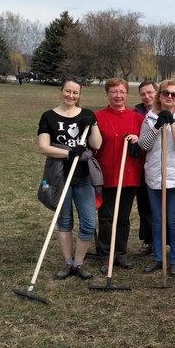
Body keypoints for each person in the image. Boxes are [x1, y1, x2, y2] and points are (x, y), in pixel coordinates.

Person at [37, 75, 103, 280]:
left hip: (83, 178)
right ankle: (67, 263)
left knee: (89, 223)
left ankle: (78, 263)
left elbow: (97, 144)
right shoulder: (48, 116)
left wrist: (93, 125)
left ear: (79, 94)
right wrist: (69, 153)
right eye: (68, 91)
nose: (71, 95)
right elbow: (44, 147)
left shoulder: (87, 114)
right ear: (61, 91)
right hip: (60, 177)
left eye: (75, 92)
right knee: (65, 221)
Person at [138, 80, 175, 278]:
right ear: (159, 96)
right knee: (157, 220)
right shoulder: (149, 118)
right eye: (165, 93)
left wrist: (172, 123)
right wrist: (157, 126)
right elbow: (144, 145)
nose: (169, 97)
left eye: (173, 94)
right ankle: (158, 257)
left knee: (173, 220)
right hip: (155, 176)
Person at [94, 78, 144, 274]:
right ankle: (106, 255)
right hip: (106, 175)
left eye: (122, 92)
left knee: (123, 217)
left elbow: (145, 148)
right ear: (107, 94)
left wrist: (138, 141)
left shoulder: (137, 118)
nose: (118, 96)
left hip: (129, 176)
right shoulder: (98, 117)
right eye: (114, 92)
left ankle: (121, 254)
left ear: (126, 94)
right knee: (106, 217)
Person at [133, 81, 158, 258]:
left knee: (166, 207)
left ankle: (173, 242)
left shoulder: (166, 109)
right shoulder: (136, 113)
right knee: (145, 206)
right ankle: (148, 240)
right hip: (141, 166)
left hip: (161, 165)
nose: (147, 97)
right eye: (143, 94)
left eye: (150, 92)